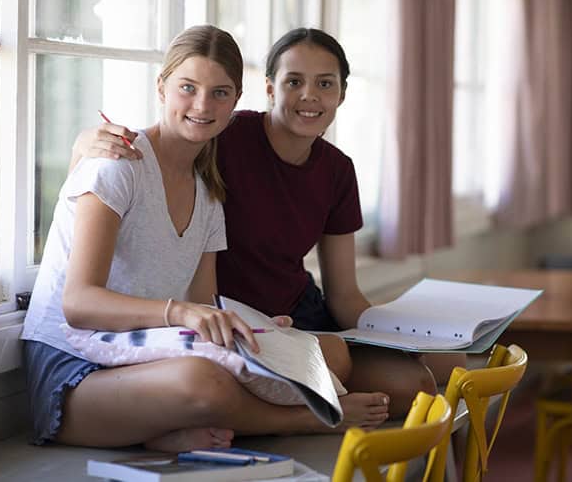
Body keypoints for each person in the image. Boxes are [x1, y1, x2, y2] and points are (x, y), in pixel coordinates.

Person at [21, 25, 389, 453]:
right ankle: (308, 420)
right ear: (162, 87)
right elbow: (80, 304)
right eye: (187, 87)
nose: (202, 104)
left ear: (236, 101)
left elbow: (206, 304)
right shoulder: (117, 166)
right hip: (77, 366)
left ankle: (165, 433)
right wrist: (180, 314)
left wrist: (256, 329)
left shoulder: (209, 195)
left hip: (147, 356)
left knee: (329, 355)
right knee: (202, 382)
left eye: (219, 92)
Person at [72, 28, 463, 418]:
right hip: (226, 321)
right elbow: (169, 134)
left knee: (425, 378)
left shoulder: (338, 170)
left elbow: (344, 295)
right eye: (294, 81)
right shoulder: (224, 135)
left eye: (324, 83)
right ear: (271, 89)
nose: (309, 95)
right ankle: (298, 415)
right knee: (393, 386)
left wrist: (407, 335)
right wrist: (83, 145)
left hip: (296, 317)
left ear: (342, 94)